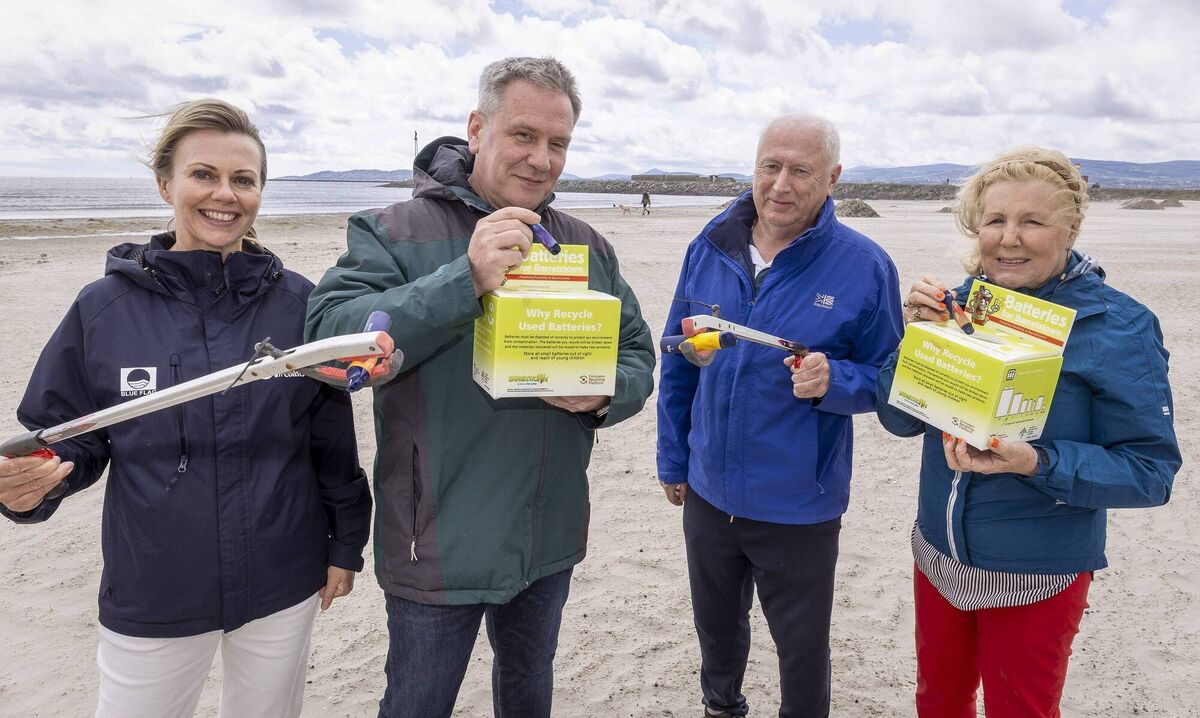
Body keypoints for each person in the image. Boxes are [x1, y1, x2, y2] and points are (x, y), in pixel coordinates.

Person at [304, 57, 655, 718]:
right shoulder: (393, 231)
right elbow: (331, 345)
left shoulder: (587, 246)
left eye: (558, 144)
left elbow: (636, 352)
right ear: (477, 129)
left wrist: (605, 393)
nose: (541, 158)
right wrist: (460, 279)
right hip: (436, 537)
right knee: (417, 701)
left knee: (528, 691)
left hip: (545, 537)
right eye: (523, 135)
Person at [0, 99, 372, 718]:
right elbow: (70, 436)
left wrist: (344, 544)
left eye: (243, 179)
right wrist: (33, 482)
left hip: (284, 574)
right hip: (154, 584)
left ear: (260, 191)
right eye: (204, 174)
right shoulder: (102, 308)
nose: (224, 194)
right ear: (165, 182)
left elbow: (329, 441)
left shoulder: (299, 304)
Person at [875, 147, 1181, 717]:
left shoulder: (1121, 327)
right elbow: (898, 419)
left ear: (1070, 227)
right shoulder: (965, 304)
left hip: (1036, 572)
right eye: (996, 220)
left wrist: (1036, 463)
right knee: (938, 702)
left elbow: (1151, 474)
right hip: (938, 553)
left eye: (1032, 221)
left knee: (1020, 709)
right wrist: (914, 344)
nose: (1008, 239)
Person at [657, 114, 903, 718]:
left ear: (833, 178)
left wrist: (834, 380)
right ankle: (722, 708)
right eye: (771, 166)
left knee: (801, 648)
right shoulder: (709, 246)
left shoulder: (865, 266)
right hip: (710, 491)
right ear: (755, 167)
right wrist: (673, 459)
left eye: (802, 170)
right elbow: (679, 356)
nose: (781, 184)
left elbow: (892, 381)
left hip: (800, 501)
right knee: (716, 632)